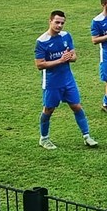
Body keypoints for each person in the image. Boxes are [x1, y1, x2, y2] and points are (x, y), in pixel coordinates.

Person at [35, 11, 98, 150]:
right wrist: (60, 60)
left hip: (68, 80)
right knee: (48, 109)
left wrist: (69, 57)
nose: (59, 25)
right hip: (51, 82)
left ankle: (87, 136)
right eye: (57, 22)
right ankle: (44, 138)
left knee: (76, 106)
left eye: (62, 23)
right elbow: (39, 65)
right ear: (50, 21)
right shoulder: (42, 42)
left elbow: (74, 56)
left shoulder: (66, 36)